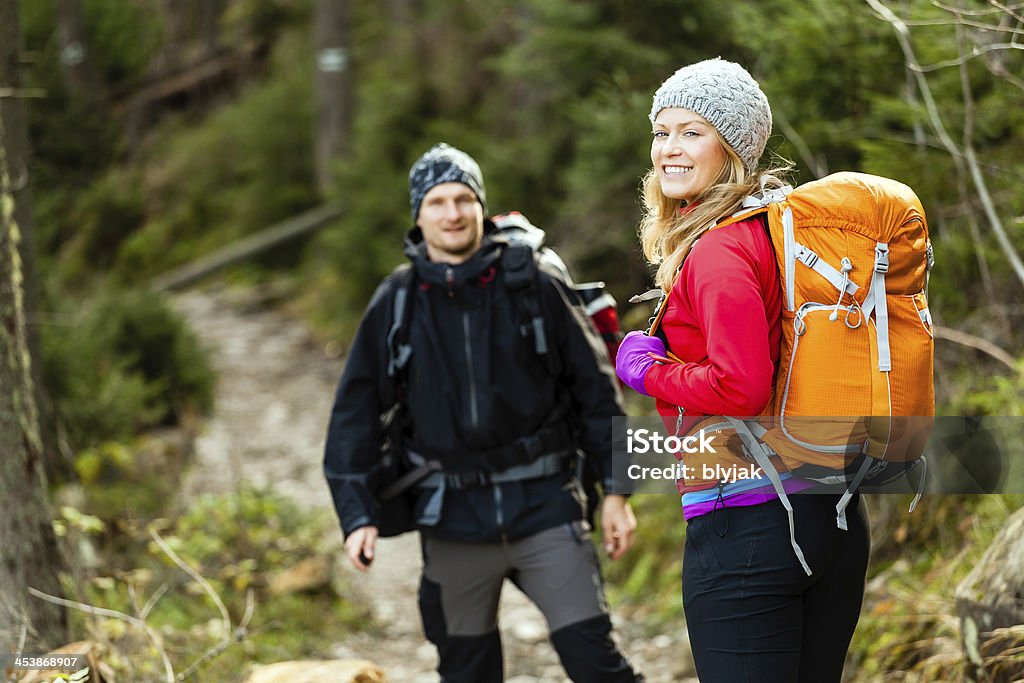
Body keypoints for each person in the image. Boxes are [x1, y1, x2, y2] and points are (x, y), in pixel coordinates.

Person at [324, 142, 642, 682]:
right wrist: (356, 515)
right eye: (438, 202)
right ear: (418, 215)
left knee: (597, 665)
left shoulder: (534, 283)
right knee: (466, 674)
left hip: (545, 507)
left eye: (463, 199)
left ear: (480, 206)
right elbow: (354, 412)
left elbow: (597, 389)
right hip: (451, 521)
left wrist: (617, 493)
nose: (452, 213)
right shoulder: (397, 300)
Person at [615, 59, 870, 682]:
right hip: (829, 513)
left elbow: (741, 384)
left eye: (692, 132)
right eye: (661, 131)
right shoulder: (777, 231)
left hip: (751, 523)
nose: (669, 149)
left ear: (733, 147)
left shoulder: (722, 249)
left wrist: (648, 371)